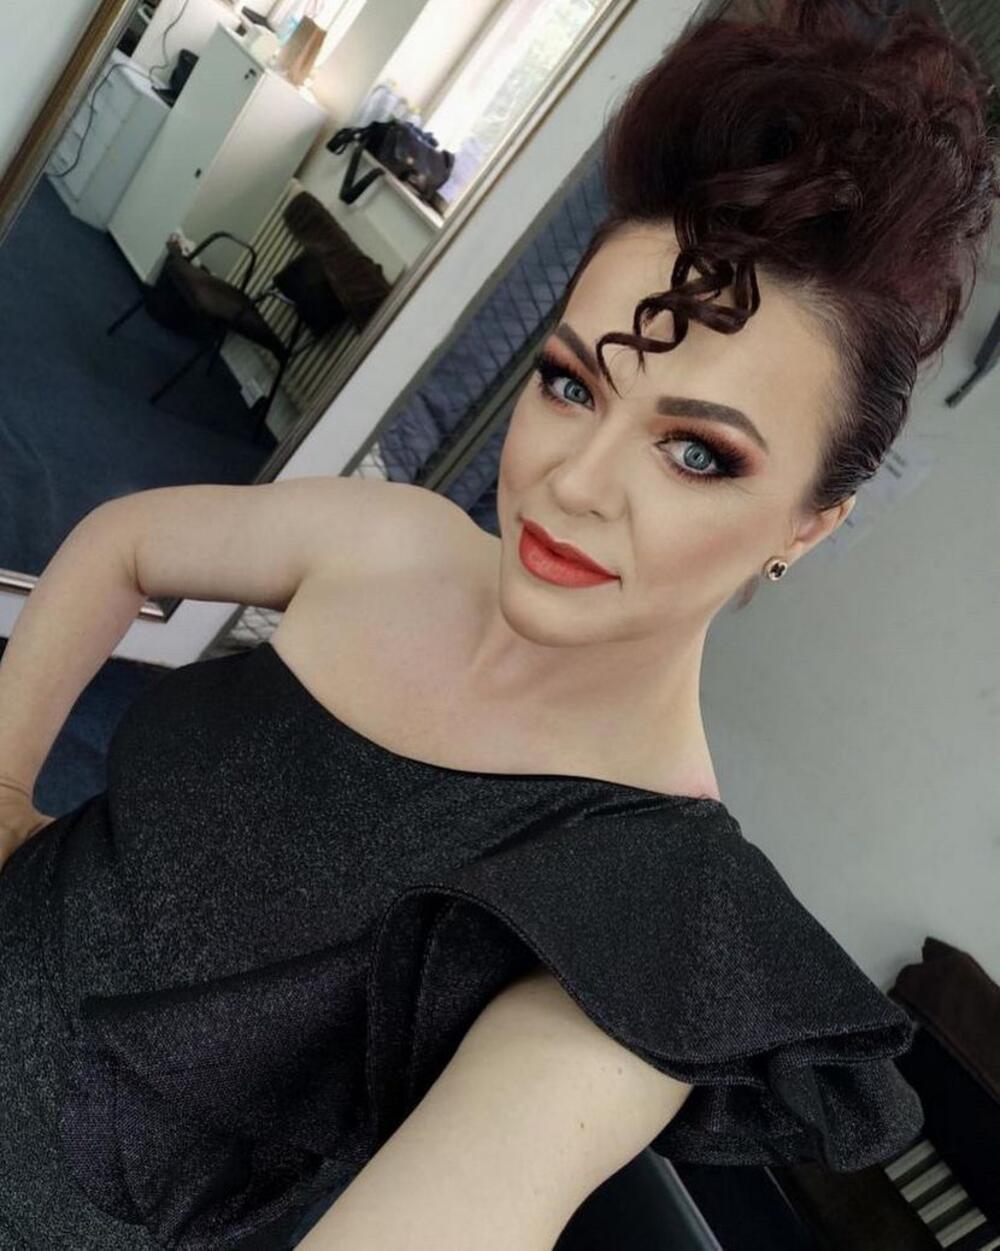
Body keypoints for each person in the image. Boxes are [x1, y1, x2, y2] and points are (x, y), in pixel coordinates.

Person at [1, 0, 997, 1247]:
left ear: (809, 523)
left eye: (696, 452)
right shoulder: (394, 541)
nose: (575, 483)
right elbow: (124, 541)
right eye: (571, 384)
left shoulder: (655, 916)